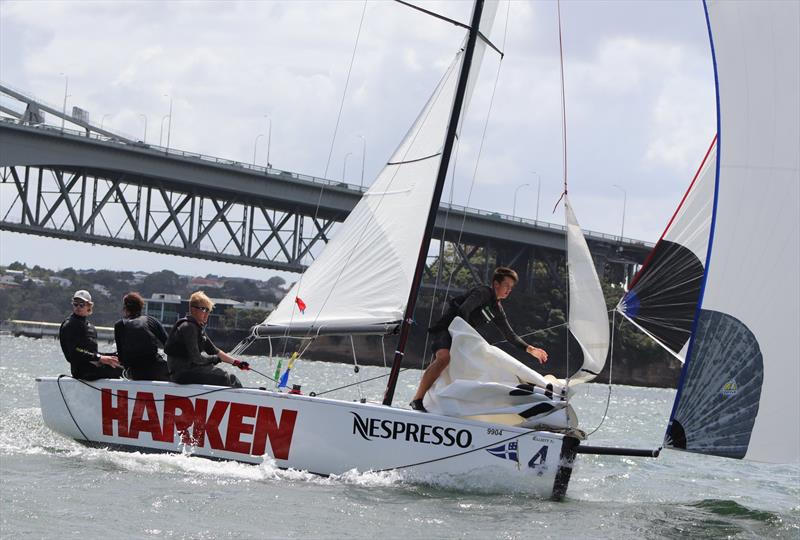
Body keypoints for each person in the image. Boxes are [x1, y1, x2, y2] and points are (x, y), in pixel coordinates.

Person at [409, 267, 549, 412]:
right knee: (444, 358)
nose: (509, 290)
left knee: (454, 369)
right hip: (447, 329)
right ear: (496, 284)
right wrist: (463, 337)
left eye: (511, 288)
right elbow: (464, 310)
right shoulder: (483, 292)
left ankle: (432, 406)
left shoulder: (497, 309)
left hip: (461, 337)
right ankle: (417, 399)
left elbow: (509, 335)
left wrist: (531, 349)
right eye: (506, 286)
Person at [165, 291, 250, 387]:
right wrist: (214, 359)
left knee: (223, 375)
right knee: (229, 378)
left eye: (208, 310)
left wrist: (237, 363)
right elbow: (197, 359)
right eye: (203, 309)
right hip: (183, 373)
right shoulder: (188, 327)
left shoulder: (197, 328)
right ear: (193, 309)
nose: (206, 314)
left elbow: (215, 351)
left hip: (186, 371)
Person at [59, 290, 123, 380]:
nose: (78, 307)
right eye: (75, 304)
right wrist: (100, 358)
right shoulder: (70, 324)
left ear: (89, 306)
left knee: (121, 365)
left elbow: (91, 352)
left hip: (93, 367)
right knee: (122, 371)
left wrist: (111, 356)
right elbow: (75, 351)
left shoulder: (90, 327)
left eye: (81, 304)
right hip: (82, 371)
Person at [114, 292, 170, 381]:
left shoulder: (119, 325)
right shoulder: (152, 320)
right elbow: (169, 346)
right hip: (158, 370)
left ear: (125, 309)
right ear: (141, 307)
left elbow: (121, 357)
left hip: (135, 373)